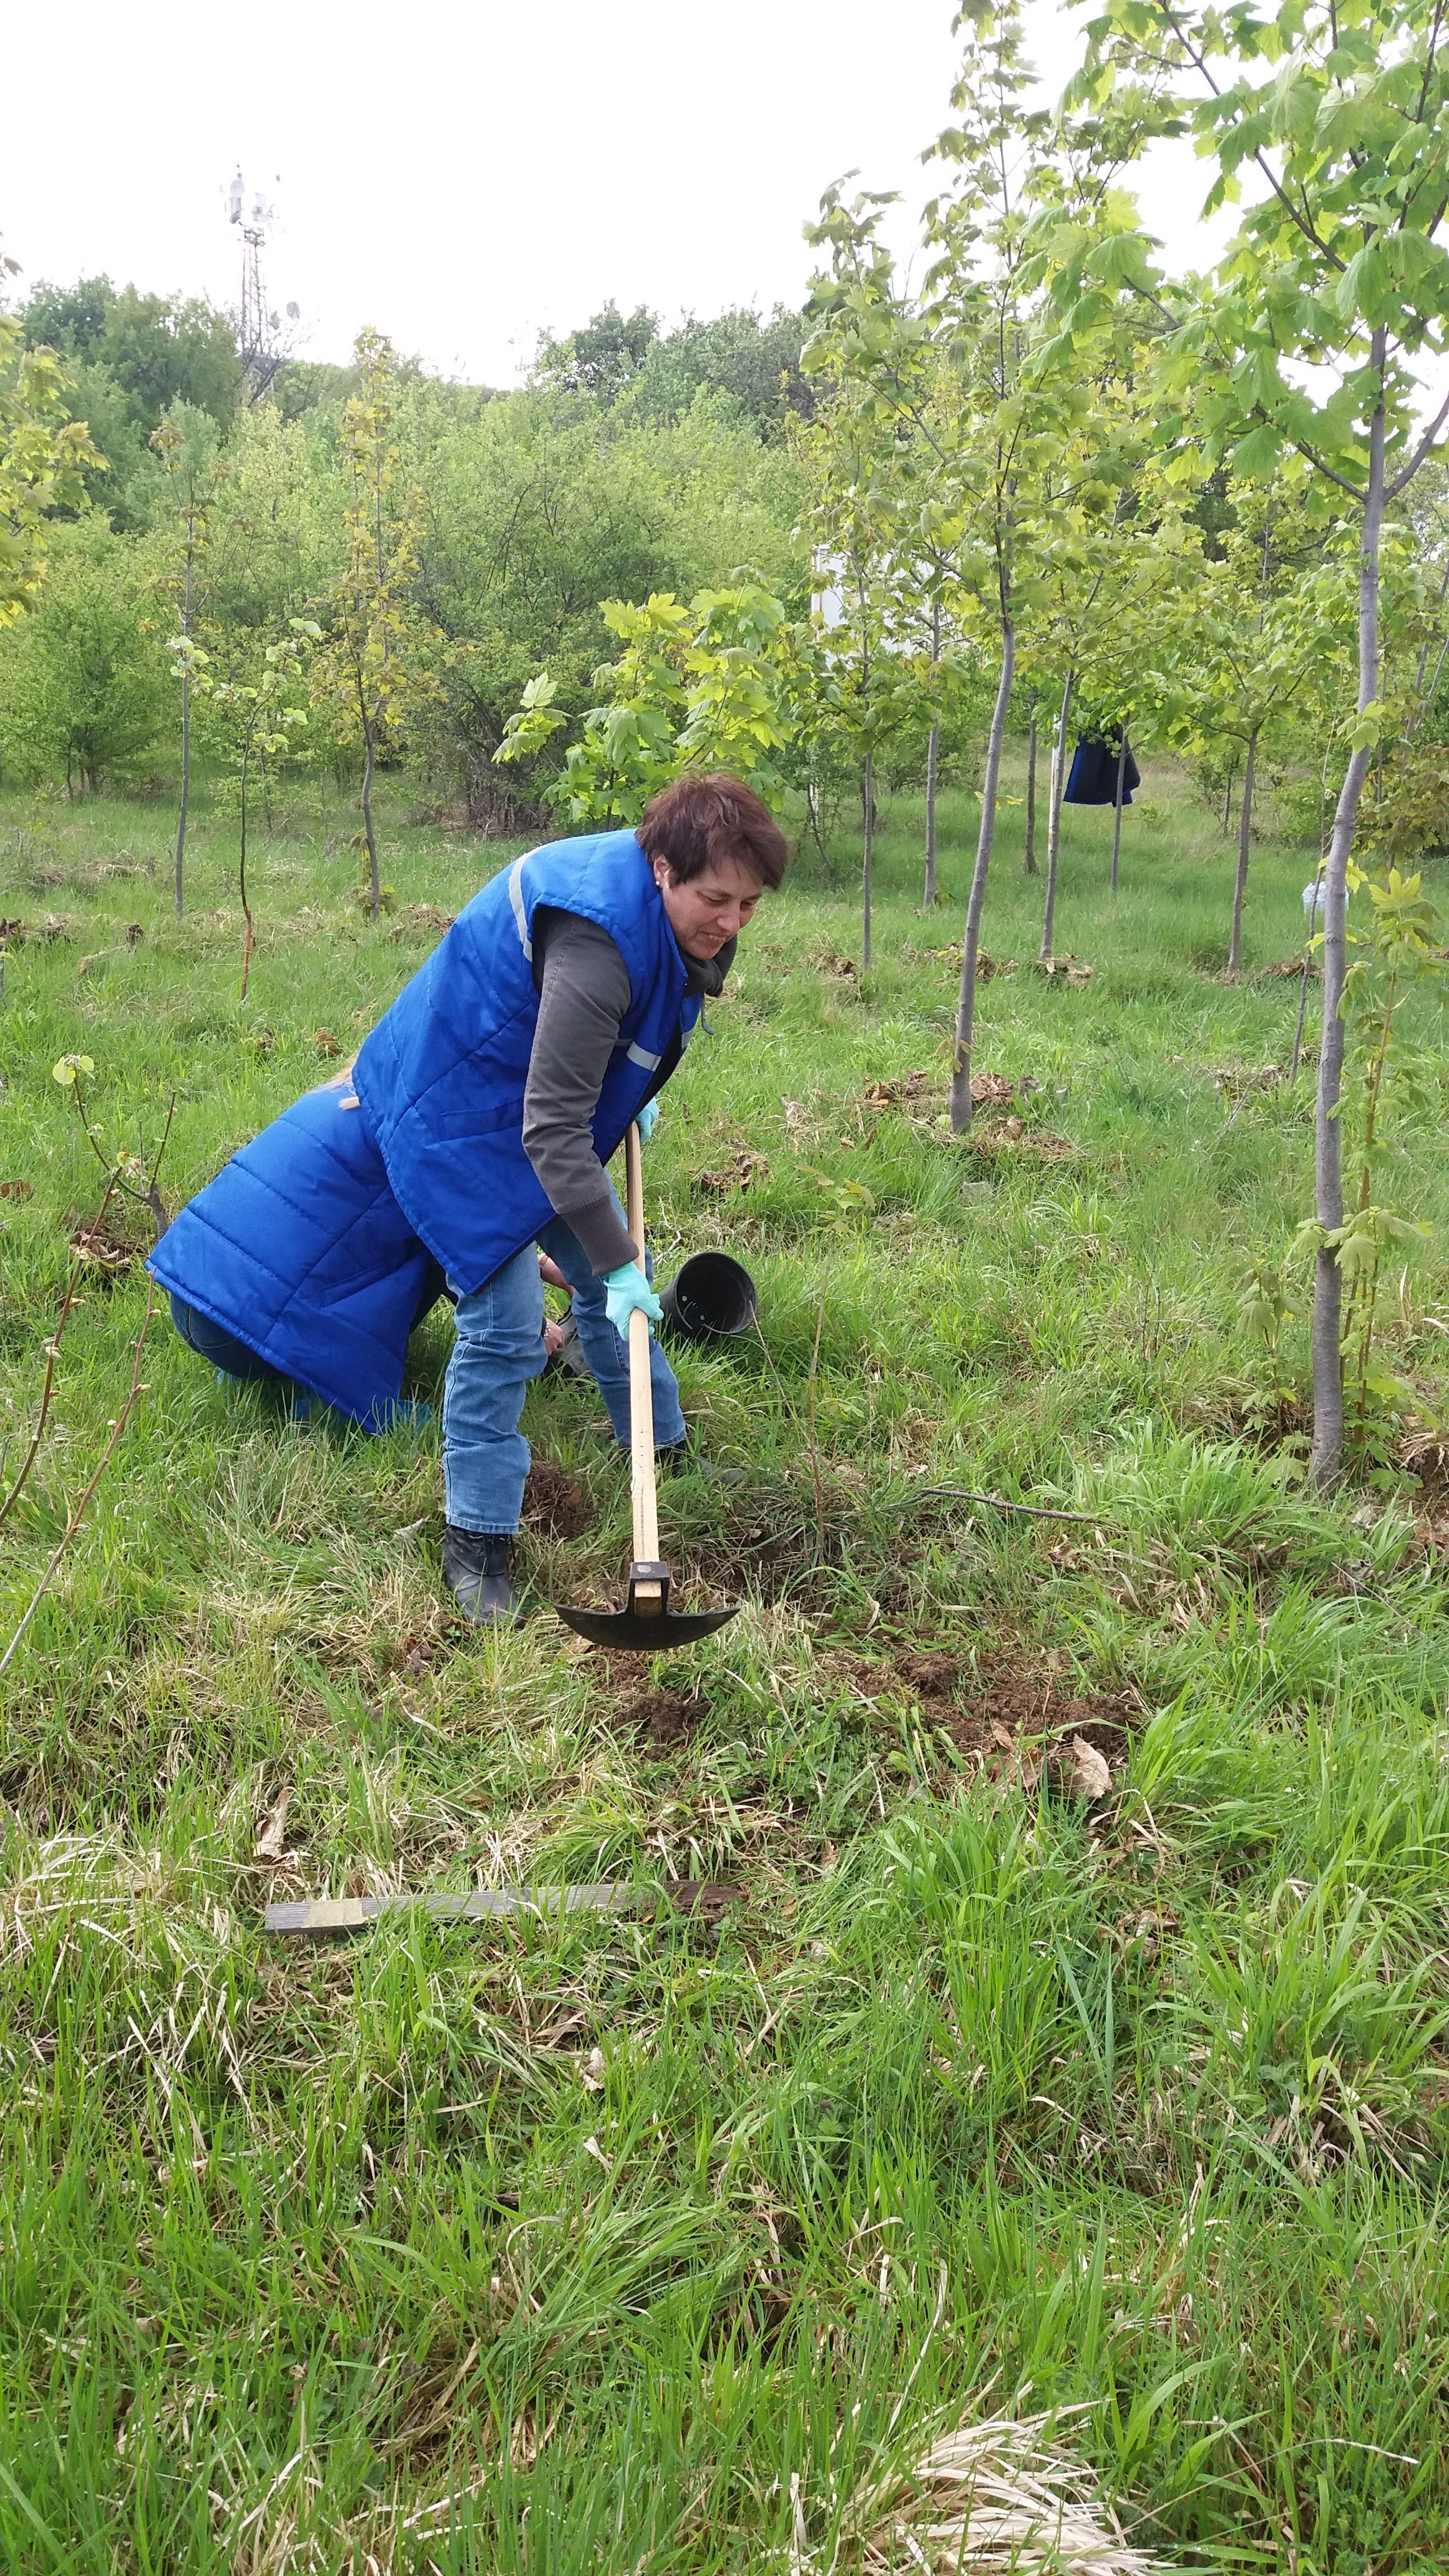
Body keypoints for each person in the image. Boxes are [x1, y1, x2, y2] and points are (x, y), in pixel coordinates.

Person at [148, 773, 789, 1623]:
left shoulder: (662, 910)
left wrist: (623, 1102)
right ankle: (477, 1545)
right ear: (663, 869)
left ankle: (663, 1453)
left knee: (611, 1283)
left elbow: (579, 1069)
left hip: (512, 1102)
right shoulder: (596, 947)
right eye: (716, 900)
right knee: (505, 1324)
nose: (732, 922)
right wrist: (612, 1257)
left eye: (749, 905)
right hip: (454, 1115)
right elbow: (551, 1132)